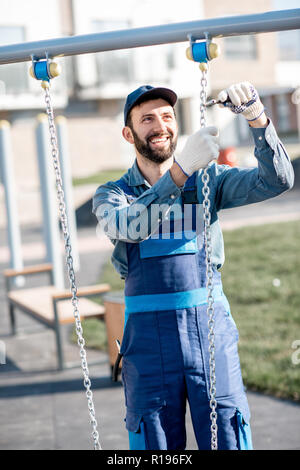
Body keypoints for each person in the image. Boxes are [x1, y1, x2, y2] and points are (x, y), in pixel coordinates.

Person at [92, 83, 294, 450]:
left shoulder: (207, 182)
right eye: (147, 119)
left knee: (229, 437)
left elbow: (277, 180)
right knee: (154, 444)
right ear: (129, 132)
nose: (160, 126)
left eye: (167, 116)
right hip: (148, 346)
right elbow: (130, 227)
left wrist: (256, 117)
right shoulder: (113, 194)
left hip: (211, 332)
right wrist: (181, 171)